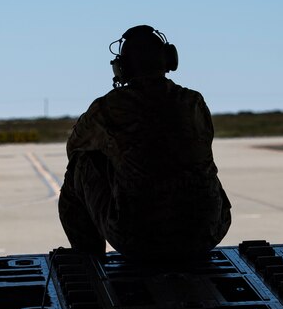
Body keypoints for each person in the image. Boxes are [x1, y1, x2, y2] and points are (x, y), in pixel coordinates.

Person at [58, 25, 232, 261]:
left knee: (82, 162)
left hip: (138, 239)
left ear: (122, 68)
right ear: (169, 59)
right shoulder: (194, 102)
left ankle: (89, 259)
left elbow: (74, 148)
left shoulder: (108, 107)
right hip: (208, 232)